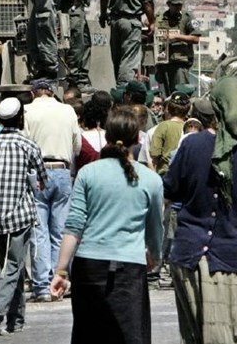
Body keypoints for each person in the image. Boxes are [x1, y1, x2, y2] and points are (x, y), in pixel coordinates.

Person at [164, 77, 237, 344]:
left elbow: (171, 191)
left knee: (197, 335)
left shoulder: (191, 144)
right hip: (234, 256)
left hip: (189, 255)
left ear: (215, 106)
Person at [50, 108, 163, 343]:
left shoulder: (88, 173)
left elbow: (74, 226)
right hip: (130, 267)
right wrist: (154, 254)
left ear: (107, 137)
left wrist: (61, 270)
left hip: (88, 266)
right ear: (138, 139)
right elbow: (154, 228)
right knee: (131, 335)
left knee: (88, 334)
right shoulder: (151, 180)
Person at [0, 97, 47, 336]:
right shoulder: (27, 144)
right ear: (20, 118)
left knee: (9, 267)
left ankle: (15, 320)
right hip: (19, 215)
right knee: (14, 266)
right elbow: (43, 179)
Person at [24, 79, 81, 302]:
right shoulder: (67, 110)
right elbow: (76, 145)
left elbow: (25, 142)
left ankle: (41, 285)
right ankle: (60, 283)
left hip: (37, 172)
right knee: (60, 231)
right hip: (63, 170)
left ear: (33, 93)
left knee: (39, 231)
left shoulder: (28, 110)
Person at [61, 0, 110, 90]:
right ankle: (75, 78)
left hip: (80, 10)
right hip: (72, 10)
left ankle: (83, 77)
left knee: (86, 42)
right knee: (76, 44)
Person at [155, 0, 203, 96]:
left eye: (179, 5)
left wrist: (176, 37)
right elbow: (149, 24)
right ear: (168, 5)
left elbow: (195, 38)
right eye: (175, 5)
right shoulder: (161, 17)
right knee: (163, 95)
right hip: (163, 63)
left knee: (180, 94)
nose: (178, 8)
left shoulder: (187, 18)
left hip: (180, 63)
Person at [150, 91, 190, 175]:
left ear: (169, 108)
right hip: (185, 175)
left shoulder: (163, 126)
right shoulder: (191, 126)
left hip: (166, 174)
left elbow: (155, 154)